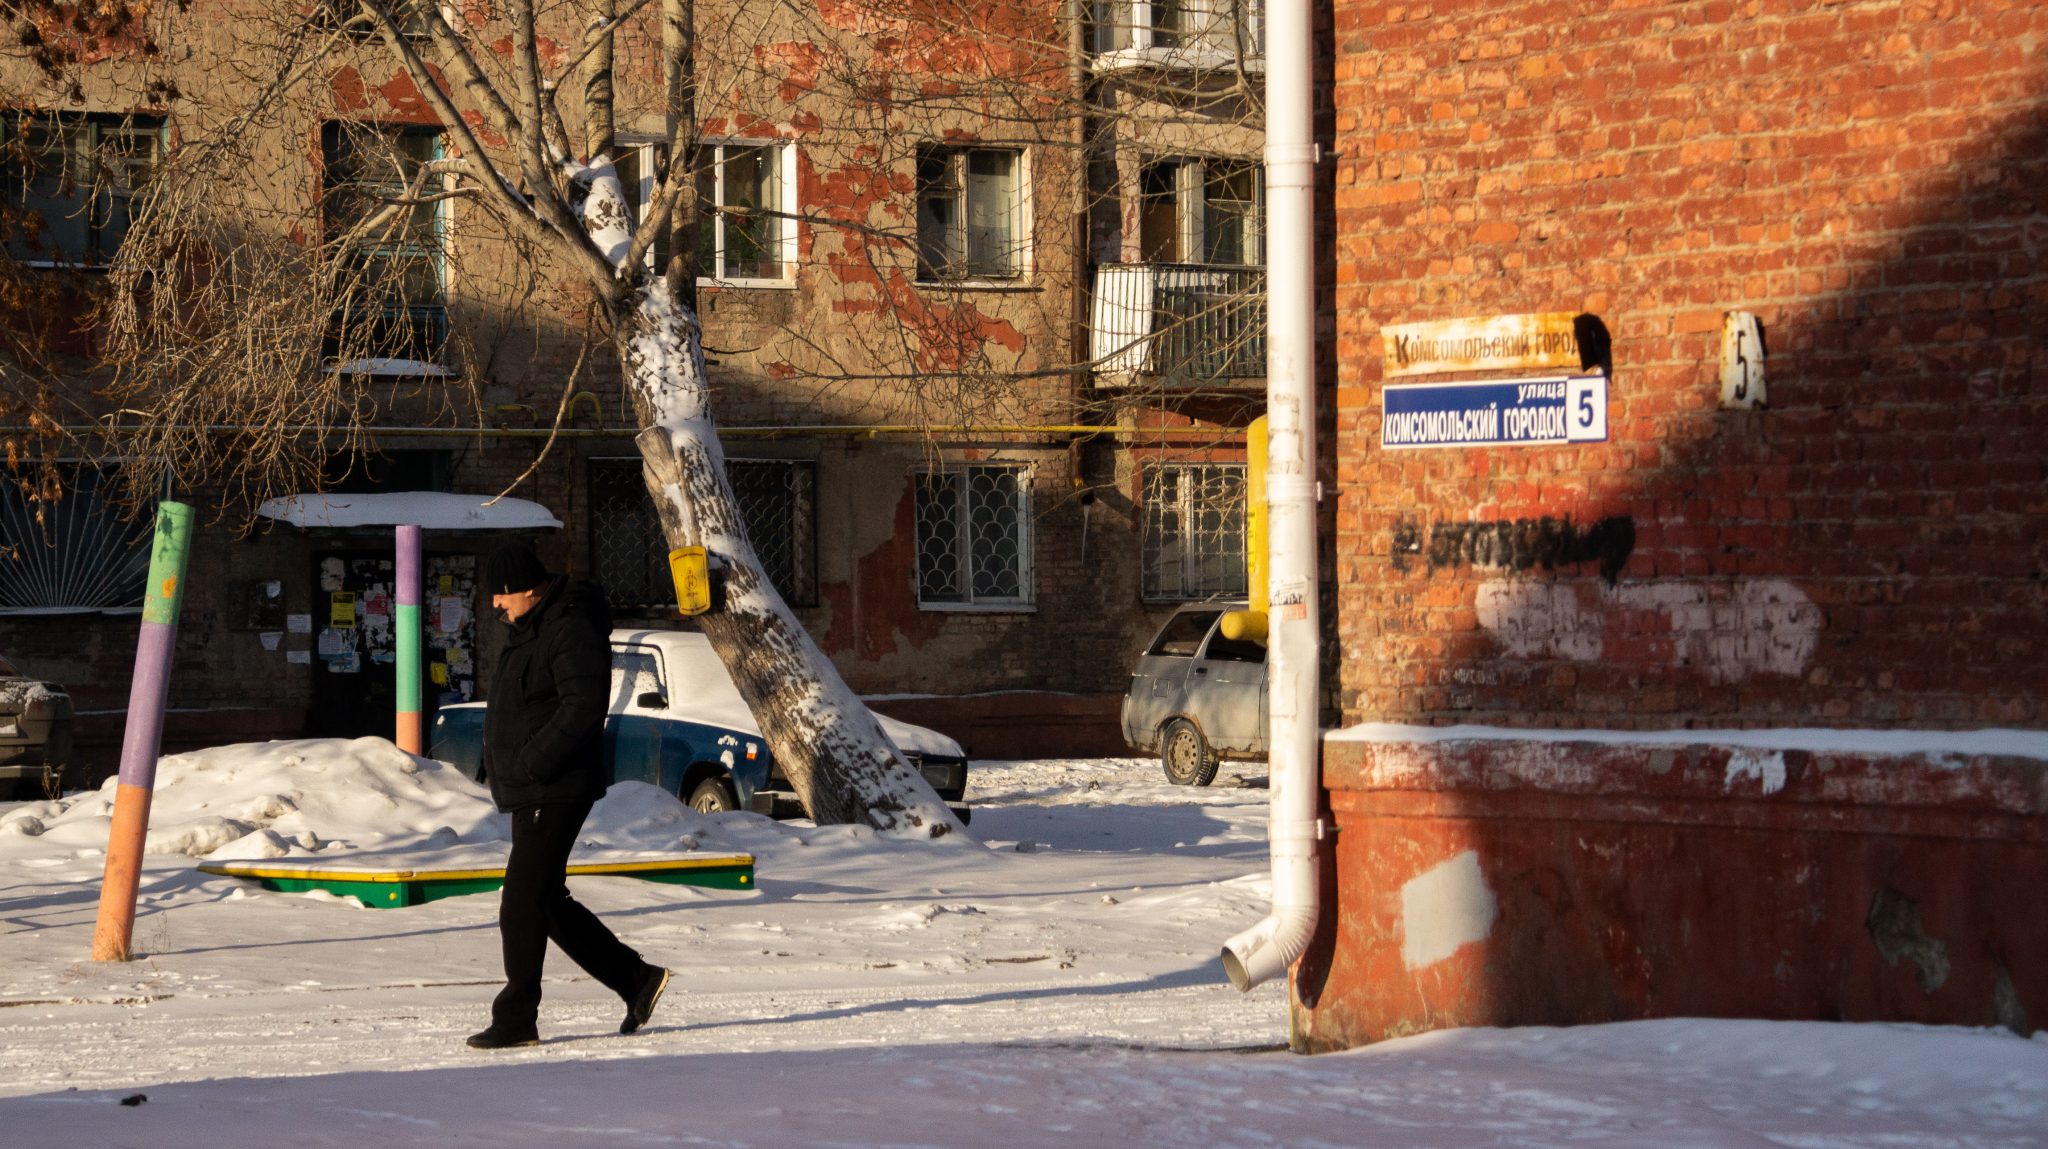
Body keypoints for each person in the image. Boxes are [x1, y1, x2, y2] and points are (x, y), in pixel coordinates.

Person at [466, 540, 671, 1050]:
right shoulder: (533, 626)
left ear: (528, 588)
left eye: (501, 593)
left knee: (520, 901)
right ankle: (635, 979)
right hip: (535, 783)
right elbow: (524, 704)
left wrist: (532, 760)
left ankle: (516, 1017)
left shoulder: (570, 627)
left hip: (554, 783)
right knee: (545, 901)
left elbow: (581, 709)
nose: (495, 603)